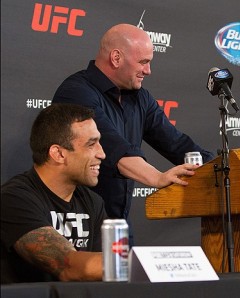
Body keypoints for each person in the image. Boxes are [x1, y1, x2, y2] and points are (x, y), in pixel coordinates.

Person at [52, 24, 215, 227]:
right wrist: (157, 178)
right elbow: (112, 147)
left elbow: (176, 143)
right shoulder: (75, 92)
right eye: (143, 62)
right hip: (76, 224)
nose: (148, 71)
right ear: (116, 58)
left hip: (118, 223)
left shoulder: (140, 98)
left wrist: (222, 168)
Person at [1, 103, 106, 283]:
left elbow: (107, 273)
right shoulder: (14, 199)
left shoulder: (92, 201)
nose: (102, 154)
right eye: (91, 144)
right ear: (58, 153)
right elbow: (69, 267)